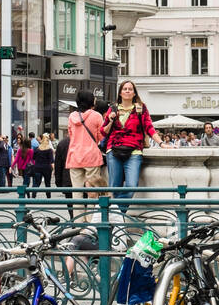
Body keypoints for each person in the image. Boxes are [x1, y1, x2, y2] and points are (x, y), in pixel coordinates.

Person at [103, 79, 161, 216]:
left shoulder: (141, 108)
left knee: (132, 185)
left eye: (130, 89)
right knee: (114, 187)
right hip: (114, 149)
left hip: (134, 150)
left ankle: (114, 215)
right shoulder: (113, 108)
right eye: (125, 89)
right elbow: (103, 131)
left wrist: (161, 143)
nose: (127, 91)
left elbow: (149, 127)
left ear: (134, 93)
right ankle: (117, 220)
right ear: (120, 93)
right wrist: (111, 120)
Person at [65, 89, 105, 205]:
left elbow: (71, 135)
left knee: (76, 192)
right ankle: (91, 221)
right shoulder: (96, 116)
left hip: (74, 156)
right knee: (92, 192)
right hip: (91, 156)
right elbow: (101, 137)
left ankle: (78, 222)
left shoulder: (72, 116)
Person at [29, 133, 55, 197]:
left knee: (37, 182)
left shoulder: (37, 149)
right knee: (47, 183)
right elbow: (51, 161)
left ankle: (34, 195)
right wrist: (54, 170)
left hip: (37, 168)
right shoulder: (49, 150)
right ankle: (48, 196)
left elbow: (33, 158)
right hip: (47, 168)